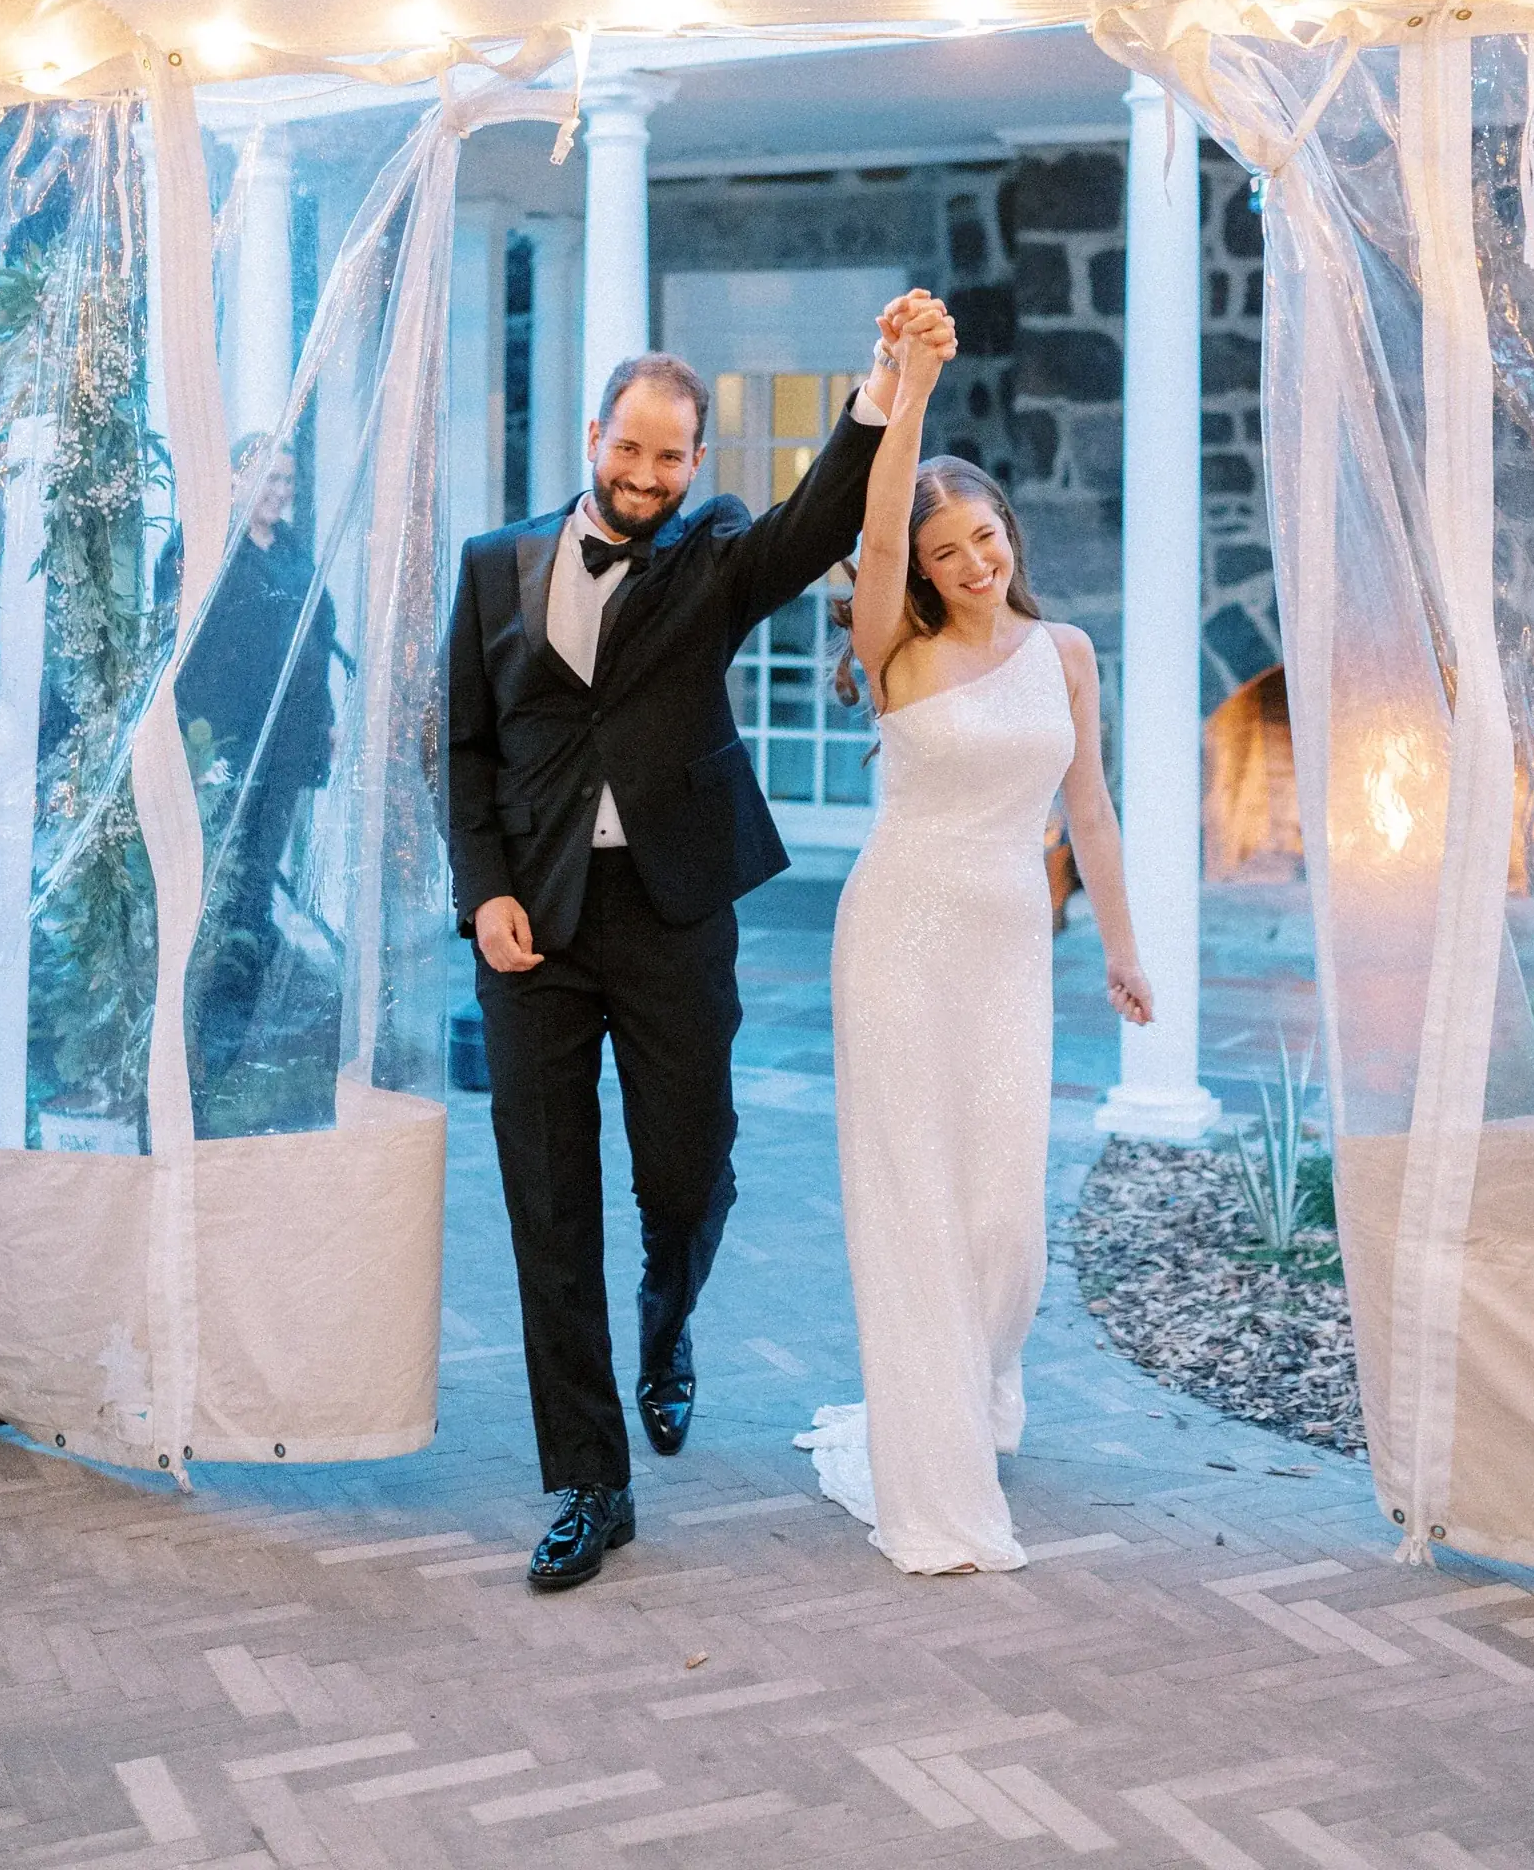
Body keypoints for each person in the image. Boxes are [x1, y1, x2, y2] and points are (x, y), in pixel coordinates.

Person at [449, 297, 957, 1592]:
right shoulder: (492, 566)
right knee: (547, 1208)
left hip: (676, 912)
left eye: (672, 459)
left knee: (686, 1172)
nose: (645, 476)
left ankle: (668, 1320)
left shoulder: (711, 554)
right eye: (630, 451)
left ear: (696, 468)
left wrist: (881, 391)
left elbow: (813, 529)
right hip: (535, 929)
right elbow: (463, 748)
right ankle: (588, 1482)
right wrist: (481, 891)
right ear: (593, 437)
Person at [797, 319, 1154, 1573]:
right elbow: (879, 529)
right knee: (917, 1208)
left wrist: (1122, 946)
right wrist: (915, 391)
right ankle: (933, 1478)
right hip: (898, 940)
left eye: (985, 538)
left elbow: (1091, 808)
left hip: (1009, 954)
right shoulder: (894, 654)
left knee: (1007, 1224)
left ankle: (978, 1384)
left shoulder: (1065, 655)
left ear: (1012, 532)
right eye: (946, 554)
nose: (971, 563)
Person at [174, 438, 338, 1107]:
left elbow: (315, 643)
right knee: (222, 883)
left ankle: (237, 1041)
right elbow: (186, 650)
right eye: (268, 477)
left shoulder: (296, 551)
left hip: (289, 749)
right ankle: (207, 1040)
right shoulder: (207, 548)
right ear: (237, 479)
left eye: (289, 478)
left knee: (258, 882)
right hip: (228, 748)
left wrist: (324, 717)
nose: (280, 490)